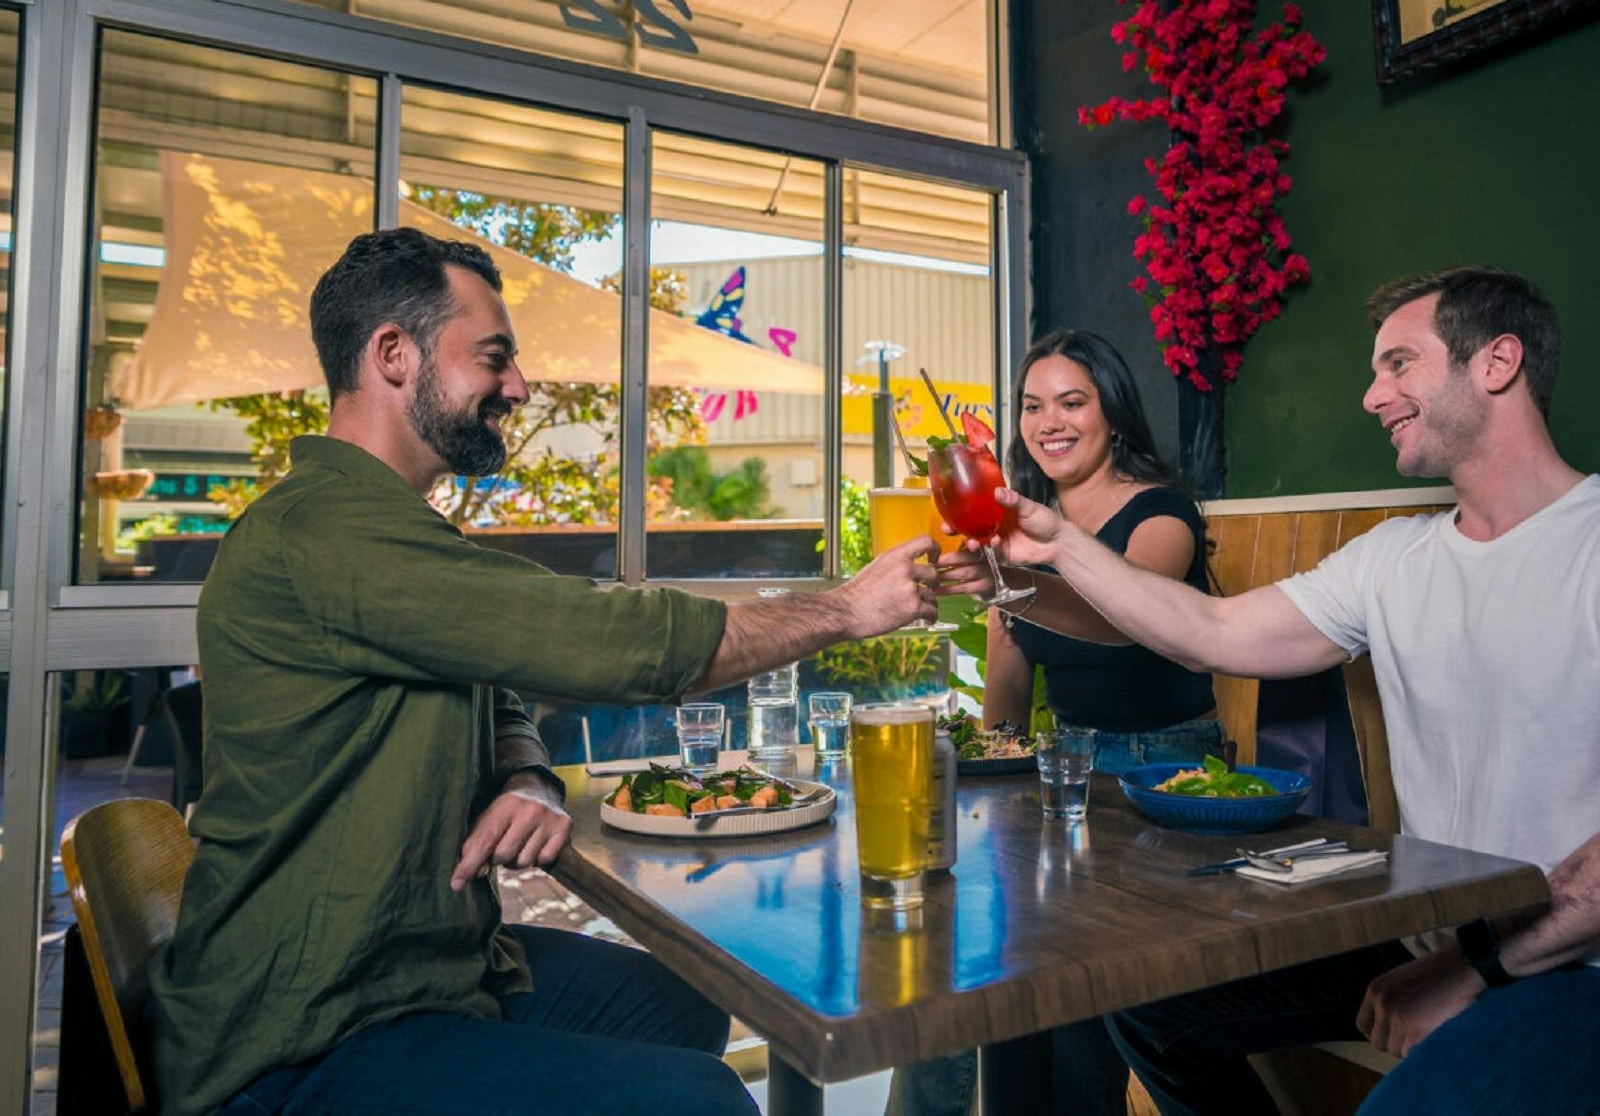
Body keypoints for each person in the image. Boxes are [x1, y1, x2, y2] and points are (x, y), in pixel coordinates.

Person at [146, 227, 940, 1116]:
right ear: (393, 354)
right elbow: (614, 643)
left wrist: (529, 775)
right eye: (495, 358)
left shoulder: (383, 527)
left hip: (431, 968)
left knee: (676, 1006)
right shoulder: (325, 534)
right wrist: (847, 608)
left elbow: (499, 688)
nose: (519, 387)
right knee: (702, 1102)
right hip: (307, 1033)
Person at [941, 266, 1600, 1112]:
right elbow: (1212, 632)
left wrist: (1475, 969)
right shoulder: (1393, 557)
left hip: (1569, 964)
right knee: (1150, 1005)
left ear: (1497, 362)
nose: (1372, 395)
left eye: (1398, 365)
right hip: (1425, 939)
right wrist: (1059, 545)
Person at [888, 330, 1221, 1116]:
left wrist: (1016, 579)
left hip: (1162, 775)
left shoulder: (1162, 514)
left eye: (1073, 402)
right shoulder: (1012, 522)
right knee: (955, 962)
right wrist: (980, 772)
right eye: (1034, 405)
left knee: (1074, 992)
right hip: (1060, 769)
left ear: (1113, 413)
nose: (1050, 422)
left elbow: (1128, 620)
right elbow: (1007, 672)